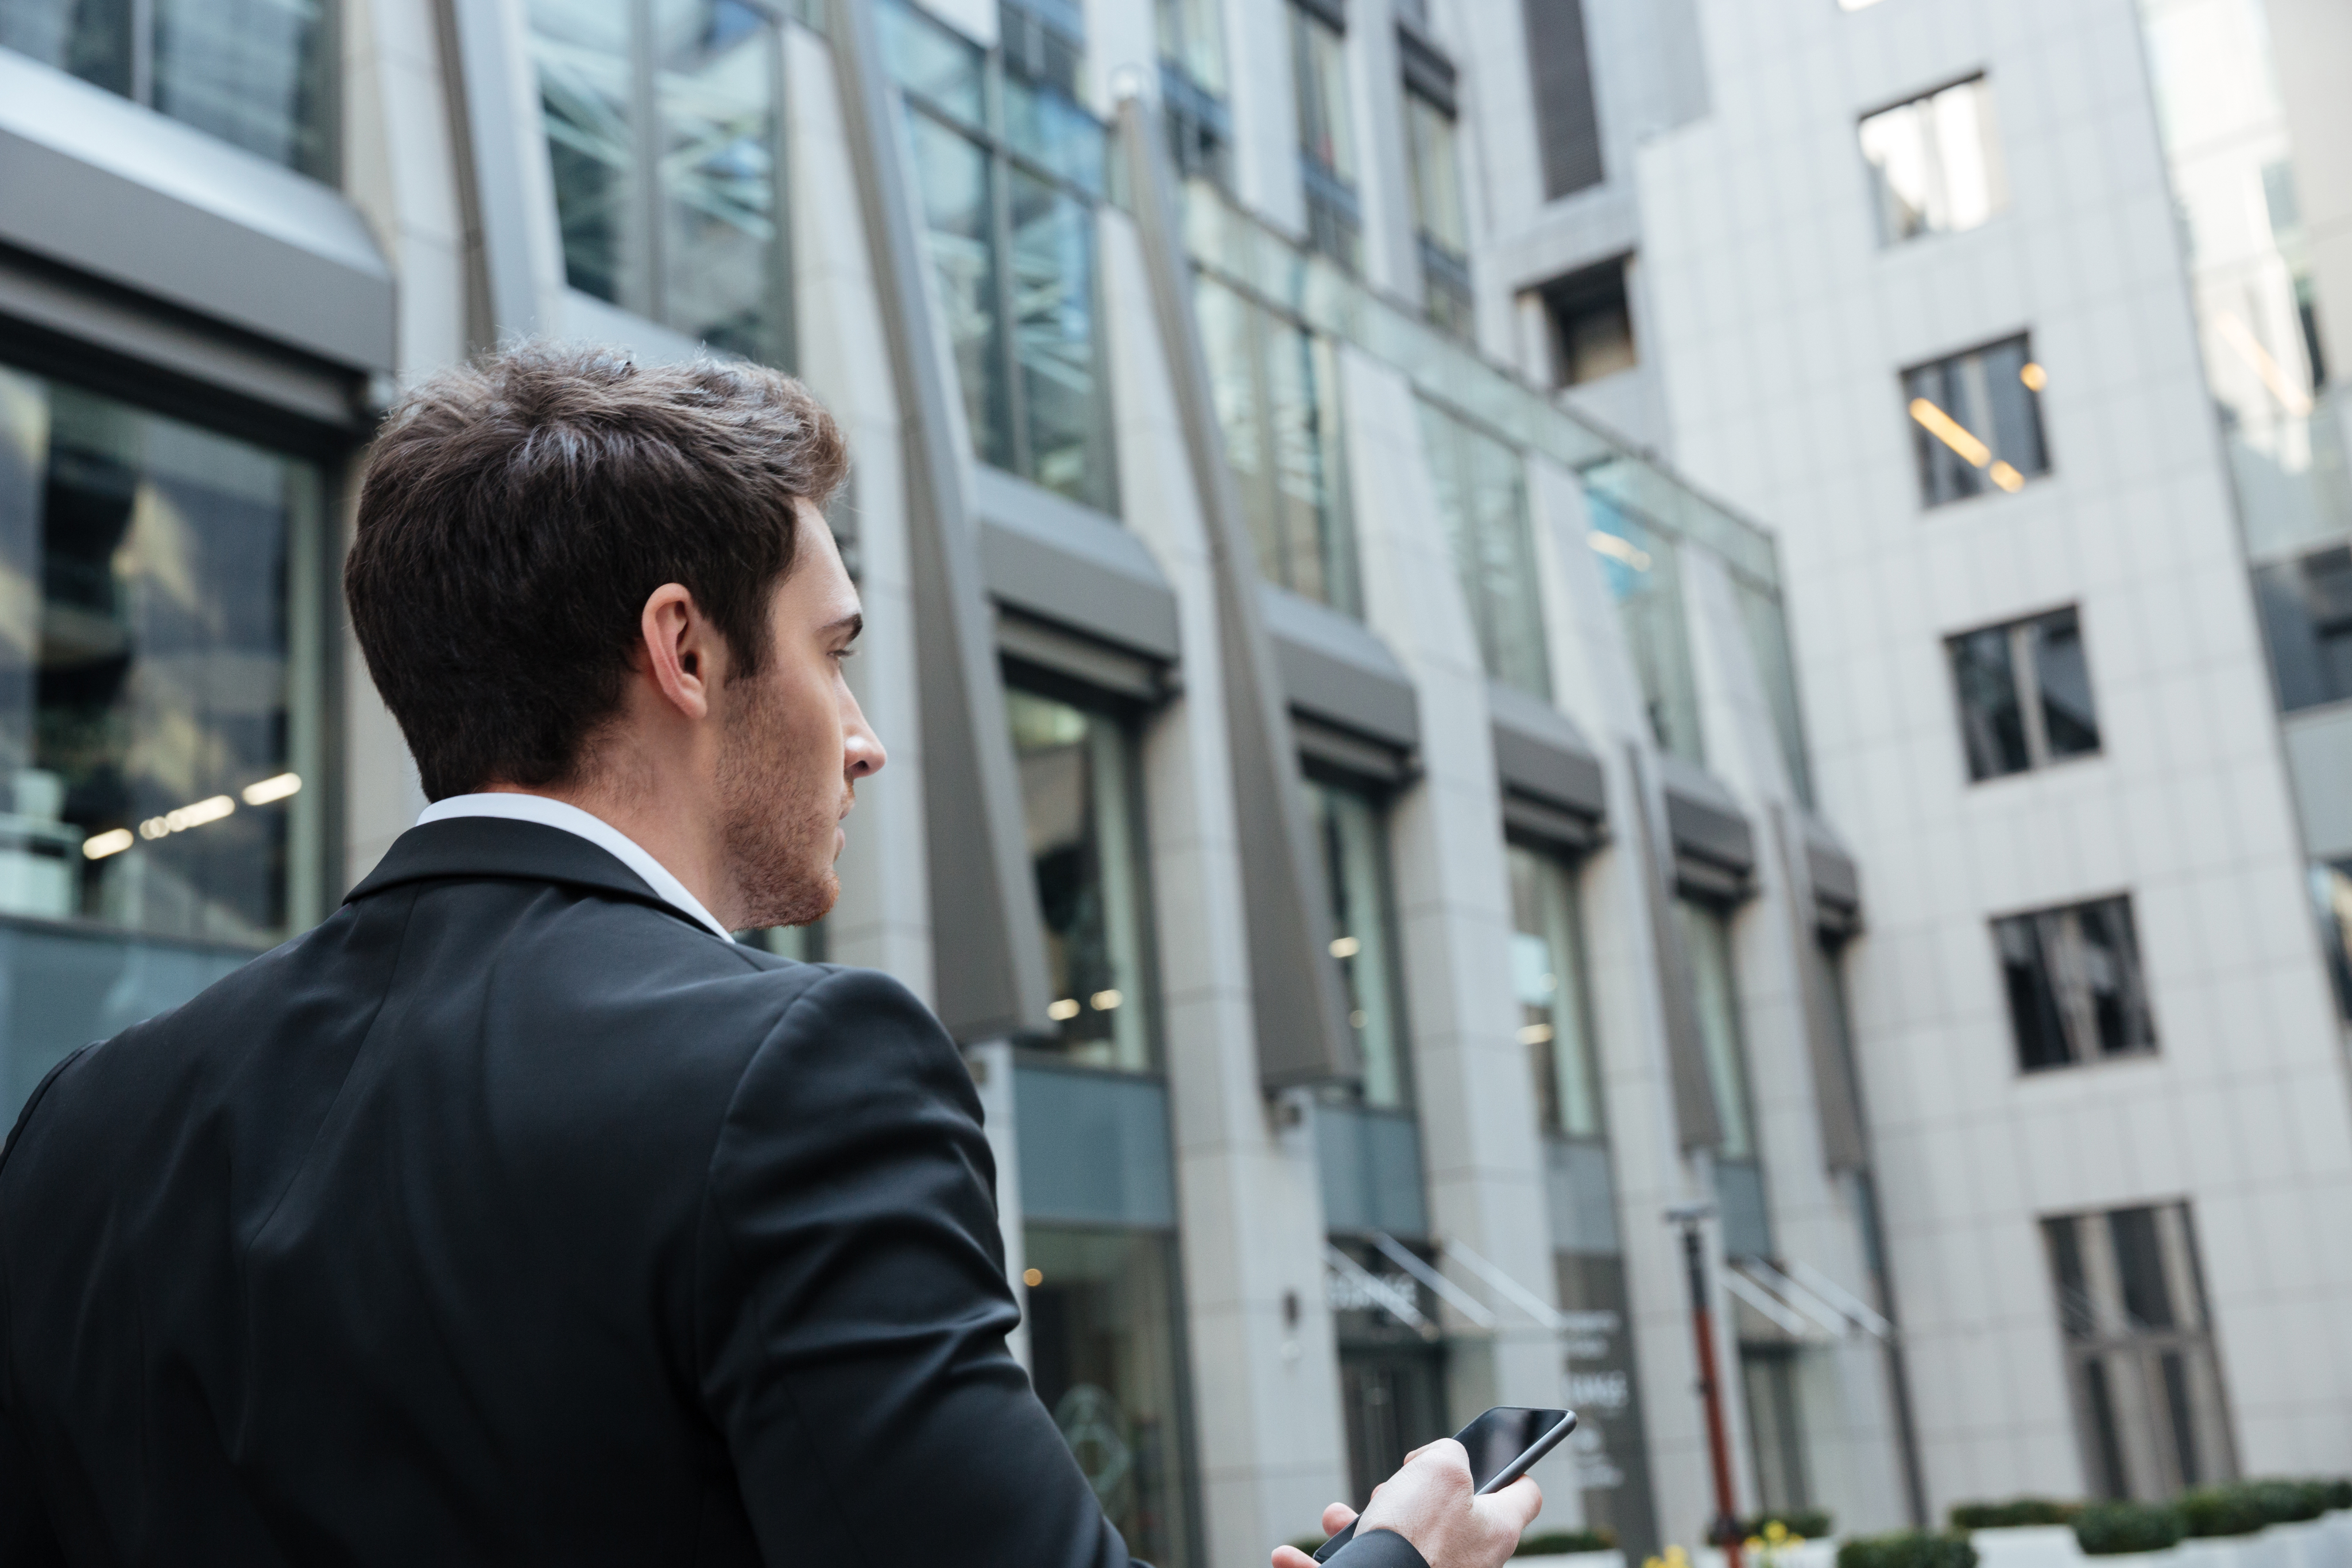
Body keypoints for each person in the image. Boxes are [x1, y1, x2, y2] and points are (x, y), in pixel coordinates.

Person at [0, 345, 1542, 1567]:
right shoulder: (800, 1081)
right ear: (683, 650)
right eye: (832, 651)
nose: (863, 740)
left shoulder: (85, 1123)